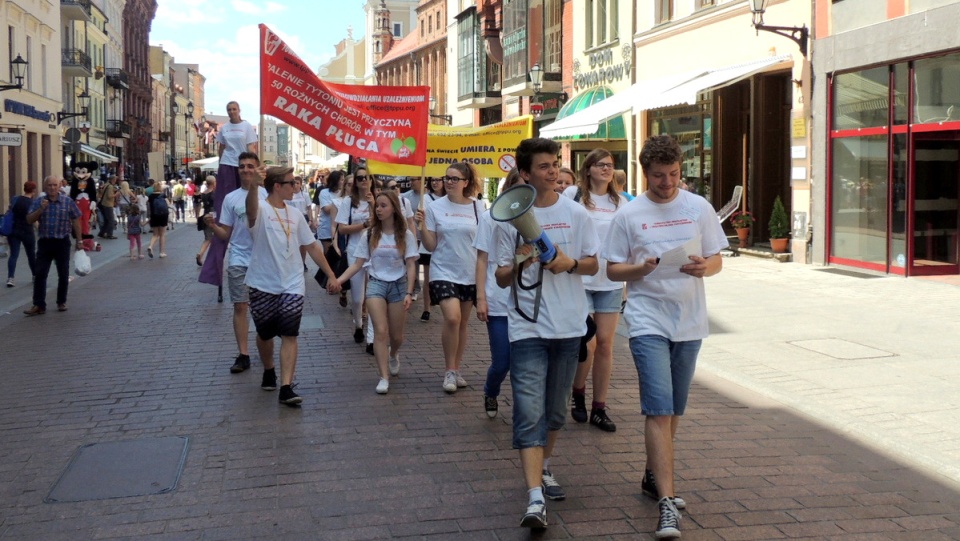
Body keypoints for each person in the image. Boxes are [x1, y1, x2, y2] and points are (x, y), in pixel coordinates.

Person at [604, 135, 727, 539]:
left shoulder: (697, 207)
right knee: (658, 408)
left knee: (674, 409)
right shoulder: (630, 214)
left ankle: (652, 475)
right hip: (646, 319)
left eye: (674, 174)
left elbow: (717, 259)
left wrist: (703, 268)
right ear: (645, 173)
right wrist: (640, 269)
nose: (668, 182)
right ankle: (667, 504)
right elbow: (612, 271)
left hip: (689, 319)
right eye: (659, 176)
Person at [491, 138, 598, 530]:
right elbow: (501, 278)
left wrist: (567, 263)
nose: (553, 172)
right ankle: (534, 496)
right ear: (524, 173)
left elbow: (592, 264)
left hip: (568, 326)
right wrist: (521, 261)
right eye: (544, 166)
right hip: (526, 327)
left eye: (555, 165)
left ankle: (545, 465)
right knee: (528, 410)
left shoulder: (577, 214)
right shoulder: (505, 218)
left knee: (554, 412)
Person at [243, 166, 341, 406]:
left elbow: (312, 247)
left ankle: (286, 387)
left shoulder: (296, 214)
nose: (295, 187)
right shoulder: (262, 209)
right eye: (290, 183)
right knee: (265, 333)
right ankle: (269, 369)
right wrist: (254, 185)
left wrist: (331, 275)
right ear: (277, 186)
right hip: (262, 282)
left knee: (290, 332)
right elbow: (251, 211)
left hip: (293, 282)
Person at [562, 148, 625, 433]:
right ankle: (578, 392)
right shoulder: (574, 197)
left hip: (610, 282)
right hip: (581, 280)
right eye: (600, 165)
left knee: (606, 345)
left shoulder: (620, 202)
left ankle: (600, 407)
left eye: (610, 165)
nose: (606, 169)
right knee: (588, 344)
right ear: (588, 169)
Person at [336, 190, 417, 394]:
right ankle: (383, 376)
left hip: (399, 285)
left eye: (383, 206)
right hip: (376, 284)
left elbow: (411, 265)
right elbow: (358, 265)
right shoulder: (370, 233)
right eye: (377, 206)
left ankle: (393, 354)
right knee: (380, 331)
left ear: (394, 209)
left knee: (397, 337)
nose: (379, 209)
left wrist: (409, 292)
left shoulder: (405, 234)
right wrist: (339, 280)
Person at [417, 163, 483, 393]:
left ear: (466, 182)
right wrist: (422, 227)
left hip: (469, 272)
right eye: (447, 178)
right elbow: (430, 245)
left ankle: (456, 368)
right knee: (452, 318)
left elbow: (483, 244)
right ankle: (448, 370)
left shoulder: (479, 208)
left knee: (463, 323)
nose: (449, 182)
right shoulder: (435, 207)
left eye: (455, 179)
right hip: (443, 271)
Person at [204, 152, 268, 374]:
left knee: (262, 308)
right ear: (238, 170)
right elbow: (226, 235)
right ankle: (243, 354)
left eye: (250, 166)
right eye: (242, 166)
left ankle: (264, 347)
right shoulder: (231, 198)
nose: (246, 169)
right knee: (241, 305)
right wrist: (213, 226)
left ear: (257, 168)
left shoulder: (268, 194)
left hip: (263, 259)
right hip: (239, 257)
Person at [474, 168, 523, 418]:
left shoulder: (537, 216)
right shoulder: (491, 217)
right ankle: (490, 391)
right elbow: (482, 259)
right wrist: (481, 297)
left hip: (527, 301)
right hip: (498, 298)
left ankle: (522, 410)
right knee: (502, 361)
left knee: (523, 364)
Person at [199, 101, 259, 288]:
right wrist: (219, 165)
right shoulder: (224, 129)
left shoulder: (246, 126)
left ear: (239, 111)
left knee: (245, 193)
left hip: (241, 164)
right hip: (227, 164)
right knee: (225, 202)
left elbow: (252, 148)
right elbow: (221, 148)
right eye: (229, 110)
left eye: (234, 109)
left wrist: (254, 166)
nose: (232, 112)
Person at [23, 175, 83, 316]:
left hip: (62, 242)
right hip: (45, 242)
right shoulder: (39, 201)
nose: (52, 188)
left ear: (59, 186)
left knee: (63, 273)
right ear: (45, 187)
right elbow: (29, 219)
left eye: (55, 185)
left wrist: (79, 240)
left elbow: (76, 220)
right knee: (40, 274)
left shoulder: (67, 201)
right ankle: (38, 305)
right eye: (49, 185)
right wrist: (40, 210)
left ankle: (61, 301)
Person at [335, 167, 375, 345]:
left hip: (376, 252)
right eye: (360, 178)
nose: (363, 181)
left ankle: (372, 338)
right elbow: (342, 228)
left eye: (367, 178)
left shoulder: (379, 200)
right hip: (355, 250)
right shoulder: (348, 203)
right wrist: (364, 224)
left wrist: (374, 204)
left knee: (375, 296)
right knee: (358, 298)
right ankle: (358, 324)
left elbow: (386, 222)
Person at [417, 176, 446, 321]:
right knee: (428, 278)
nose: (435, 183)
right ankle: (426, 308)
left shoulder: (450, 199)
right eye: (433, 180)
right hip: (429, 240)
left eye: (438, 180)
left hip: (445, 243)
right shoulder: (426, 198)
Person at [5, 181, 38, 288]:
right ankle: (34, 275)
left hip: (14, 231)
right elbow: (33, 220)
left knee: (13, 255)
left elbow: (10, 210)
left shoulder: (15, 199)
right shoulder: (32, 203)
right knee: (31, 255)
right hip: (27, 232)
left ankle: (10, 278)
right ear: (33, 190)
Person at [315, 170, 343, 253]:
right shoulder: (324, 192)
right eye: (341, 180)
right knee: (328, 254)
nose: (343, 182)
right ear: (335, 181)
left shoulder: (343, 193)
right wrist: (340, 201)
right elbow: (327, 209)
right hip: (326, 228)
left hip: (340, 229)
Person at [196, 176, 216, 266]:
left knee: (207, 238)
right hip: (214, 216)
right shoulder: (215, 193)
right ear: (213, 183)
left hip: (205, 215)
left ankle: (201, 253)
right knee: (217, 237)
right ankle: (213, 258)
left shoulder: (203, 193)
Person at [146, 180, 170, 258]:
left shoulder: (150, 196)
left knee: (155, 234)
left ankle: (150, 246)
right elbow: (168, 204)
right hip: (163, 215)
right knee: (162, 234)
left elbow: (149, 207)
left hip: (154, 215)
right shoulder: (163, 195)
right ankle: (162, 252)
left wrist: (149, 216)